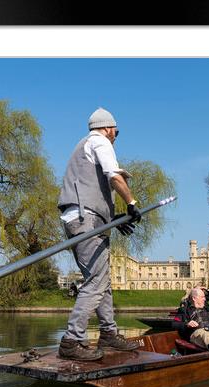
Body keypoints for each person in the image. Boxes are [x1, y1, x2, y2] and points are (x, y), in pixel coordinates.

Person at [56, 107, 142, 361]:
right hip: (86, 219)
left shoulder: (84, 147)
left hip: (85, 218)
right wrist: (131, 203)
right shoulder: (100, 142)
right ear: (108, 128)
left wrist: (112, 218)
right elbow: (113, 176)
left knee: (101, 280)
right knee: (96, 281)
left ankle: (108, 332)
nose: (116, 136)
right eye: (117, 131)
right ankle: (72, 340)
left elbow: (94, 191)